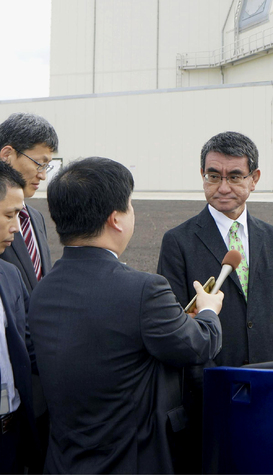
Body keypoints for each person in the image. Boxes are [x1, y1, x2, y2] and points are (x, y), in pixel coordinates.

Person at [28, 157, 224, 474]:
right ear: (116, 219)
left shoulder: (42, 290)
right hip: (129, 461)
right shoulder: (144, 290)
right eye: (130, 205)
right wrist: (208, 311)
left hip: (63, 461)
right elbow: (197, 345)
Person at [157, 131, 273, 471]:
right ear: (202, 176)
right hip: (209, 406)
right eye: (214, 176)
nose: (223, 187)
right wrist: (215, 388)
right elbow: (174, 331)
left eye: (235, 176)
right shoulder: (178, 242)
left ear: (254, 179)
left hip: (272, 398)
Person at [0, 161, 38, 474]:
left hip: (10, 436)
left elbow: (30, 347)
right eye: (9, 215)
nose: (16, 227)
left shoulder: (10, 276)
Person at [0, 112, 58, 291]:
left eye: (46, 166)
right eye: (39, 163)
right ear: (7, 154)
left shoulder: (36, 218)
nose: (43, 175)